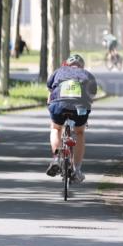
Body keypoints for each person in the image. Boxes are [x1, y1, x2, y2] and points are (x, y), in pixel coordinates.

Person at [45, 53, 98, 183]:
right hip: (80, 107)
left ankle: (56, 158)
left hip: (59, 105)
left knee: (56, 128)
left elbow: (50, 91)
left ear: (67, 64)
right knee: (79, 132)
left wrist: (50, 107)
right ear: (81, 66)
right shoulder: (87, 74)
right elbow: (91, 96)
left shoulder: (59, 71)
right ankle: (77, 170)